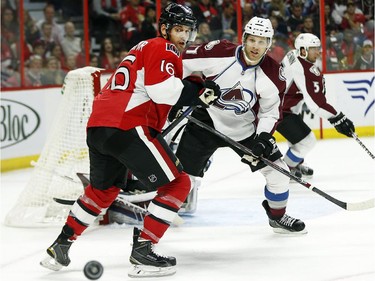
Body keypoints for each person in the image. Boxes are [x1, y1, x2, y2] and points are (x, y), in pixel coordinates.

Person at [40, 3, 220, 278]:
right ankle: (144, 251)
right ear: (164, 29)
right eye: (179, 29)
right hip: (126, 125)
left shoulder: (142, 48)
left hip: (100, 127)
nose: (183, 37)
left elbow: (154, 94)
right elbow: (162, 91)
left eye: (188, 31)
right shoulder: (165, 48)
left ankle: (60, 246)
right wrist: (196, 91)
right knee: (178, 183)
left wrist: (191, 92)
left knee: (104, 191)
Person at [175, 16, 307, 234]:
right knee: (181, 177)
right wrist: (188, 91)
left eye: (262, 41)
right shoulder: (218, 51)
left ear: (269, 44)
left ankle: (277, 217)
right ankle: (163, 212)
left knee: (280, 175)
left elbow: (270, 112)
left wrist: (263, 139)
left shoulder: (274, 75)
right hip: (205, 121)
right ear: (244, 38)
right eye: (252, 40)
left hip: (245, 130)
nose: (256, 46)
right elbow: (180, 64)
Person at [276, 33, 355, 178]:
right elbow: (316, 104)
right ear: (303, 50)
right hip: (279, 111)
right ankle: (286, 170)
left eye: (318, 48)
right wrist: (338, 118)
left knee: (297, 138)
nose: (318, 52)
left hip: (282, 107)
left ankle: (295, 163)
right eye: (314, 49)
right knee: (307, 141)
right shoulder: (305, 70)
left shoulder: (292, 54)